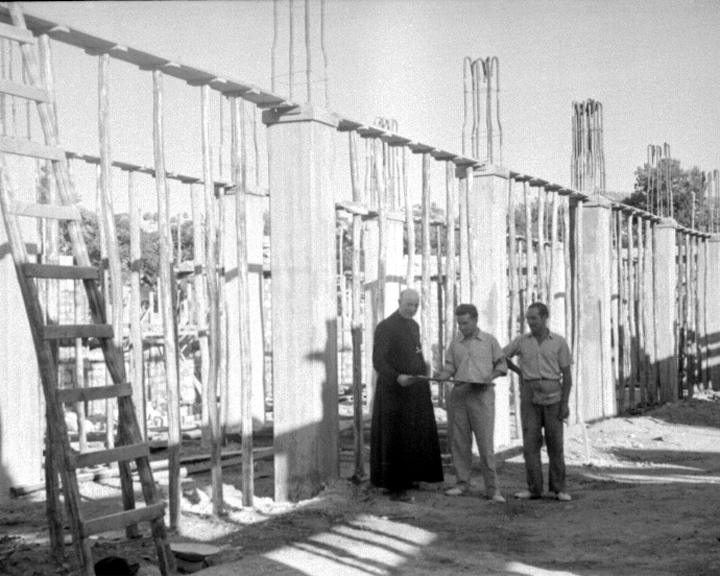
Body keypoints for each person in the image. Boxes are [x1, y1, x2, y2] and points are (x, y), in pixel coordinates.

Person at [370, 288, 444, 501]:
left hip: (414, 390)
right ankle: (394, 486)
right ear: (398, 301)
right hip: (394, 391)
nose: (412, 309)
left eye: (416, 305)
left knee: (413, 434)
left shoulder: (414, 325)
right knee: (395, 436)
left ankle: (410, 477)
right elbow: (379, 361)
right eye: (408, 304)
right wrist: (397, 377)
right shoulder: (385, 327)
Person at [435, 304, 507, 503]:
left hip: (482, 395)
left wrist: (490, 375)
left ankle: (493, 490)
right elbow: (450, 365)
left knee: (485, 444)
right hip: (460, 395)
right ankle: (461, 483)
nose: (462, 327)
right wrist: (443, 375)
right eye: (459, 323)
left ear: (475, 320)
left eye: (465, 323)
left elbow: (502, 365)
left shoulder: (489, 341)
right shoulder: (455, 343)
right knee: (460, 442)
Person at [504, 302, 573, 501]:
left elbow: (567, 375)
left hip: (554, 396)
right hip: (530, 396)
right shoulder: (522, 341)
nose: (530, 322)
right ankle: (534, 489)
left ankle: (558, 489)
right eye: (527, 319)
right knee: (530, 444)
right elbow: (501, 356)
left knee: (555, 444)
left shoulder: (559, 342)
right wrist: (520, 372)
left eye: (534, 318)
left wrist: (565, 403)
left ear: (544, 318)